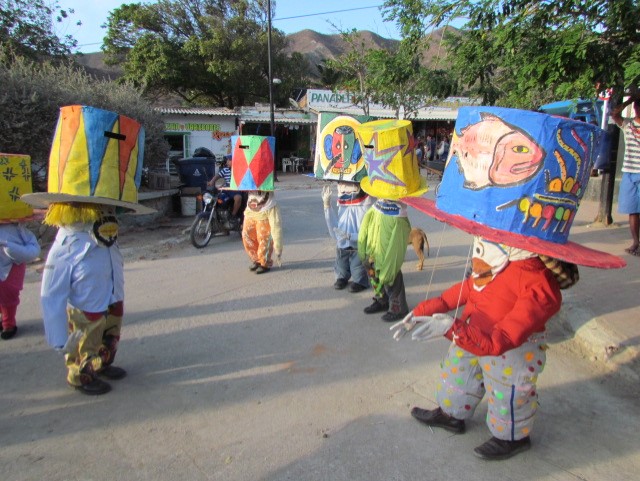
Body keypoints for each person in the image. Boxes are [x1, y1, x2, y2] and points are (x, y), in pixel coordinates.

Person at [394, 106, 624, 460]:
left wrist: (452, 328)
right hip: (473, 330)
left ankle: (513, 436)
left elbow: (503, 340)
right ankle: (452, 413)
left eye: (490, 237)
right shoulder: (491, 263)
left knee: (509, 389)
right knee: (458, 370)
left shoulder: (537, 285)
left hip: (509, 348)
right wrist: (422, 312)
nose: (479, 246)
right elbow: (464, 291)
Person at [21, 105, 156, 395]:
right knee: (87, 326)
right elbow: (51, 290)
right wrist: (57, 336)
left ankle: (103, 361)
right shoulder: (68, 240)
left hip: (109, 288)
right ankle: (79, 373)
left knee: (111, 320)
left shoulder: (107, 234)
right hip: (86, 299)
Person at [357, 119, 428, 322]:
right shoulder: (378, 195)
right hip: (378, 222)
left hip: (392, 224)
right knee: (371, 264)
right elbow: (370, 216)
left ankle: (398, 307)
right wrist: (363, 242)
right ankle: (381, 298)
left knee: (390, 270)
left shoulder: (399, 208)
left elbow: (398, 240)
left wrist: (389, 265)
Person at [227, 135, 282, 273]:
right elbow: (242, 152)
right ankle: (256, 259)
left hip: (265, 211)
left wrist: (279, 246)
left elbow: (276, 225)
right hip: (251, 211)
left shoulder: (266, 179)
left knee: (263, 238)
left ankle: (265, 262)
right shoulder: (249, 181)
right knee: (246, 235)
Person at [0, 153, 41, 340]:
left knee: (8, 295)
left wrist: (12, 250)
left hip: (12, 265)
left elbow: (33, 250)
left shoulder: (18, 228)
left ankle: (9, 323)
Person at [322, 182, 373, 292]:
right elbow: (335, 225)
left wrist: (351, 236)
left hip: (358, 246)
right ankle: (342, 276)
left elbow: (368, 232)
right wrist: (327, 206)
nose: (346, 188)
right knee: (341, 266)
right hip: (342, 245)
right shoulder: (342, 204)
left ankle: (360, 281)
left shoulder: (366, 205)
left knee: (358, 271)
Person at [611, 90, 640, 256]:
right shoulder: (627, 125)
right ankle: (636, 241)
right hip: (629, 173)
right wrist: (630, 101)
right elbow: (614, 113)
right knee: (633, 210)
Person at [208, 154, 243, 227]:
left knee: (238, 198)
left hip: (235, 190)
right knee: (216, 198)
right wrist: (211, 182)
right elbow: (217, 176)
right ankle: (218, 216)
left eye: (229, 160)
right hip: (226, 190)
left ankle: (233, 215)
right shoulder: (225, 169)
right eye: (227, 160)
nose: (227, 162)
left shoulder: (240, 170)